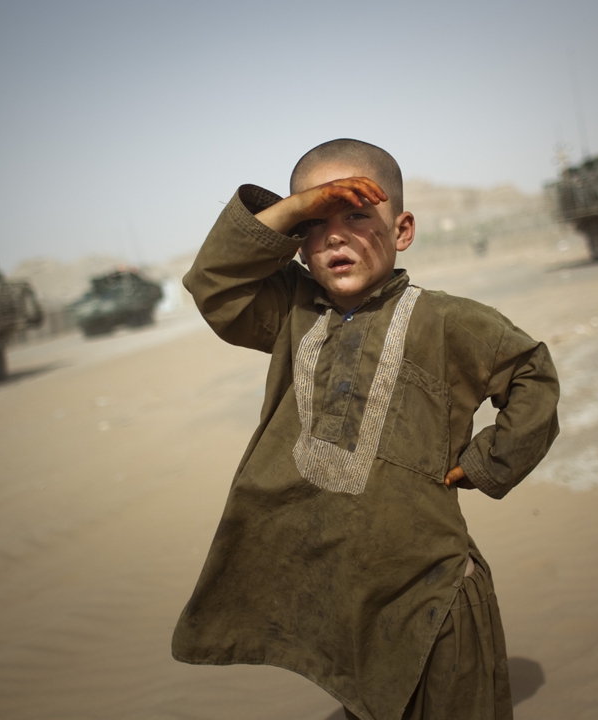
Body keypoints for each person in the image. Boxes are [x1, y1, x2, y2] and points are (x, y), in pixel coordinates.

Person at [172, 139, 561, 720]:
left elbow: (532, 373)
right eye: (315, 222)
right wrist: (290, 207)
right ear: (299, 245)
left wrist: (487, 463)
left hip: (433, 597)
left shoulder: (448, 319)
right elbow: (214, 284)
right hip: (347, 604)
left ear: (402, 230)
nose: (335, 235)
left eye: (358, 214)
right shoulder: (290, 315)